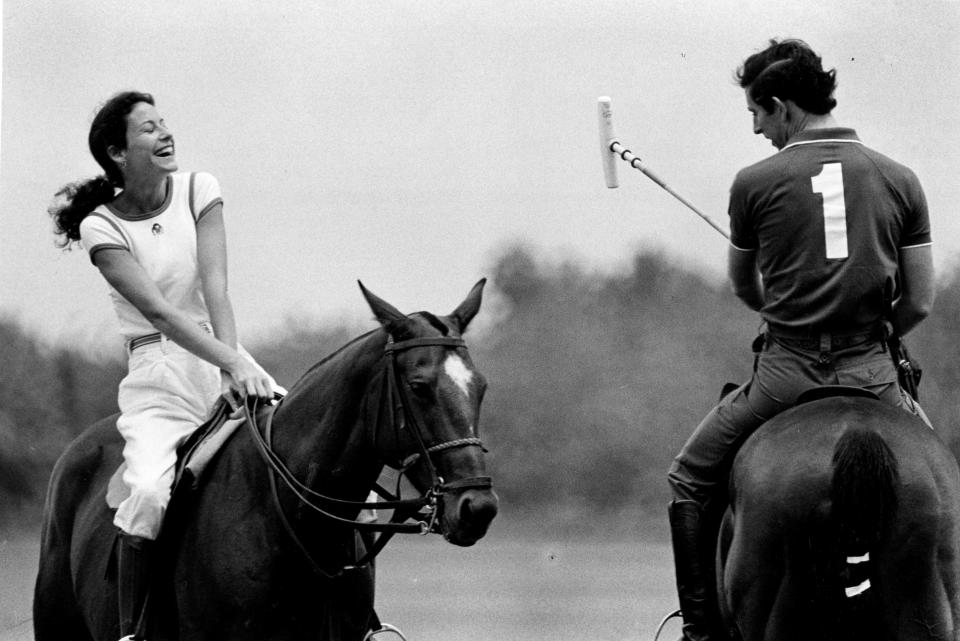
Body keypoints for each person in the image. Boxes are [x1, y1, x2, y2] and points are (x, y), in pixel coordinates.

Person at [665, 39, 934, 641]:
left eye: (758, 115)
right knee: (940, 480)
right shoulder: (901, 179)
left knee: (687, 478)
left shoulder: (754, 183)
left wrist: (784, 318)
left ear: (783, 107)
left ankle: (699, 631)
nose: (759, 130)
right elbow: (918, 300)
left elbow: (742, 285)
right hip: (873, 373)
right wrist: (876, 335)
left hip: (784, 376)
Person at [49, 91, 279, 641]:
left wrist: (232, 366)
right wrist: (227, 361)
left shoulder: (201, 188)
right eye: (148, 129)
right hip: (158, 374)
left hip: (223, 355)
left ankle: (359, 624)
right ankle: (131, 631)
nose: (165, 134)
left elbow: (216, 288)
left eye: (164, 123)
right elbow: (158, 310)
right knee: (150, 492)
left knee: (326, 473)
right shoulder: (100, 229)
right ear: (117, 152)